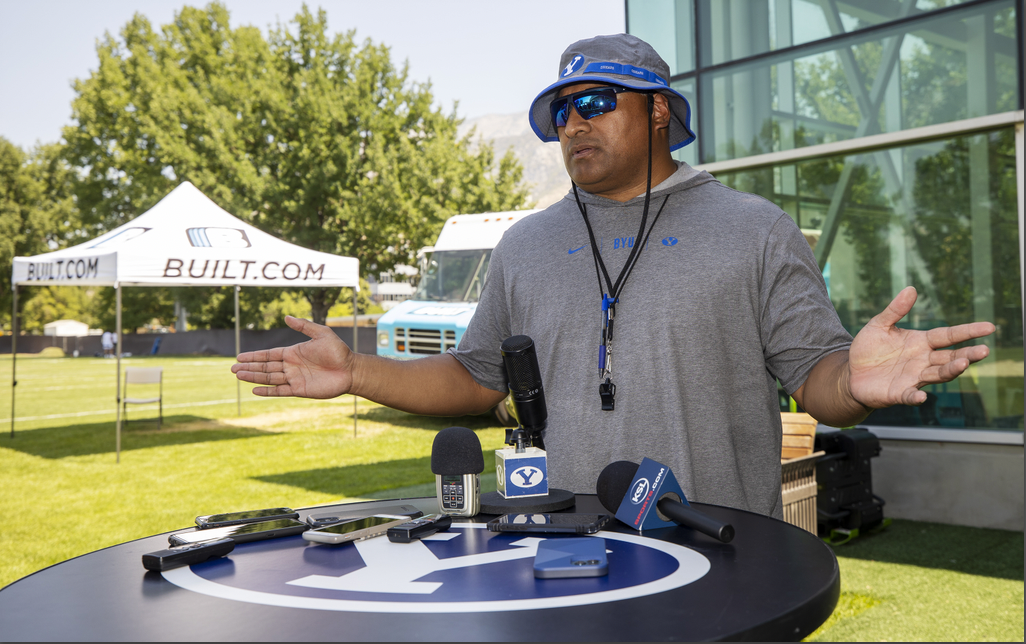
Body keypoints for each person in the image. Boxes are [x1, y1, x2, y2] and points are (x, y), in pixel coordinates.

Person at [233, 34, 994, 518]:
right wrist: (360, 370)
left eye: (595, 102)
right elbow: (477, 377)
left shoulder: (753, 228)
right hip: (560, 555)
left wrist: (853, 383)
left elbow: (816, 376)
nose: (574, 123)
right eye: (561, 110)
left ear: (660, 112)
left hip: (721, 554)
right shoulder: (526, 243)